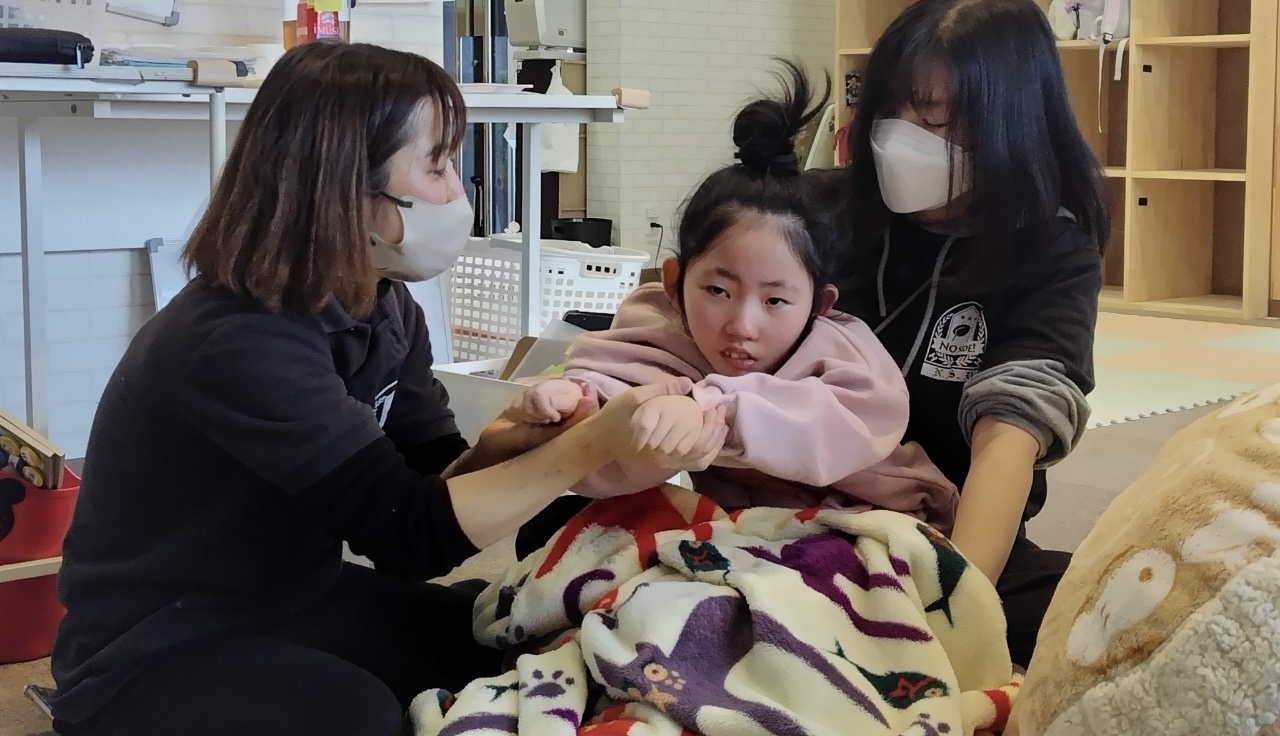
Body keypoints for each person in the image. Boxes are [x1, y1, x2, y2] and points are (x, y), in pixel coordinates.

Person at [48, 41, 718, 736]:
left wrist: (504, 445)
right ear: (348, 186)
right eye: (437, 165)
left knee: (505, 647)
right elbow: (409, 538)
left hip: (291, 595)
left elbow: (424, 480)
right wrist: (588, 446)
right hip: (152, 646)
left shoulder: (384, 306)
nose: (455, 191)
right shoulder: (239, 341)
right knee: (359, 718)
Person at [506, 61, 956, 528]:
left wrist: (710, 408)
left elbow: (849, 424)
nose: (742, 325)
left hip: (872, 514)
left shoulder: (840, 350)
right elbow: (613, 389)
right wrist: (572, 398)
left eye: (775, 301)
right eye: (718, 290)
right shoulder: (658, 325)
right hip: (737, 519)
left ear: (819, 306)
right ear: (674, 283)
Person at [818, 0, 1109, 668]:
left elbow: (1011, 430)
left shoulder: (1051, 251)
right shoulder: (816, 209)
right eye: (889, 110)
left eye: (934, 120)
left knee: (1109, 613)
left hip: (943, 533)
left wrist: (953, 608)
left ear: (1011, 123)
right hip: (791, 513)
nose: (898, 138)